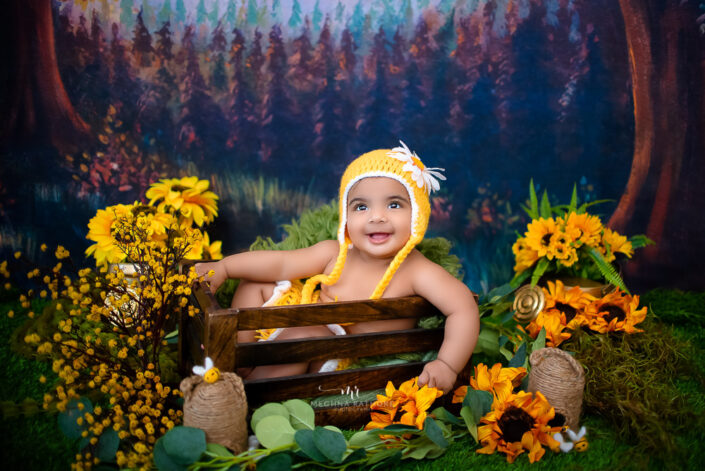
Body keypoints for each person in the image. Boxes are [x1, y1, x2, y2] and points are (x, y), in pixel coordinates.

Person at [195, 142, 480, 393]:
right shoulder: (335, 252)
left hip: (337, 350)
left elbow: (463, 307)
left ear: (417, 214)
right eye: (361, 207)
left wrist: (447, 364)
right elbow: (281, 263)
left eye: (394, 205)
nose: (377, 217)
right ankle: (239, 358)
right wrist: (225, 267)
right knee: (254, 283)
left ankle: (245, 392)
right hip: (299, 318)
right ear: (345, 217)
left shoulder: (417, 270)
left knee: (305, 337)